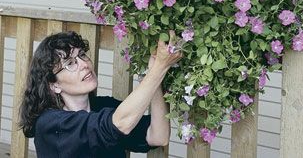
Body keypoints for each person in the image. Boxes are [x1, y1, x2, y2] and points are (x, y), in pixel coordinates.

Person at [19, 30, 182, 158]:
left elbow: (158, 136)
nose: (84, 64)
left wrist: (155, 72)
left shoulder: (104, 107)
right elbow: (120, 123)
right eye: (70, 63)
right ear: (54, 85)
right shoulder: (51, 123)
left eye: (82, 55)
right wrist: (159, 68)